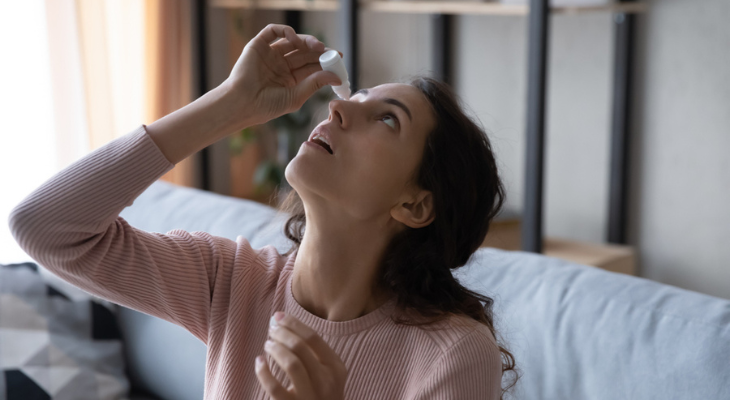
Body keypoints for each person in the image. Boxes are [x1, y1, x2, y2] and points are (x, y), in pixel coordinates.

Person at [9, 24, 517, 399]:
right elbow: (45, 228)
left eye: (386, 120)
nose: (337, 109)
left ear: (415, 204)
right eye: (354, 97)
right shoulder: (234, 282)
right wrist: (231, 103)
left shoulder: (452, 356)